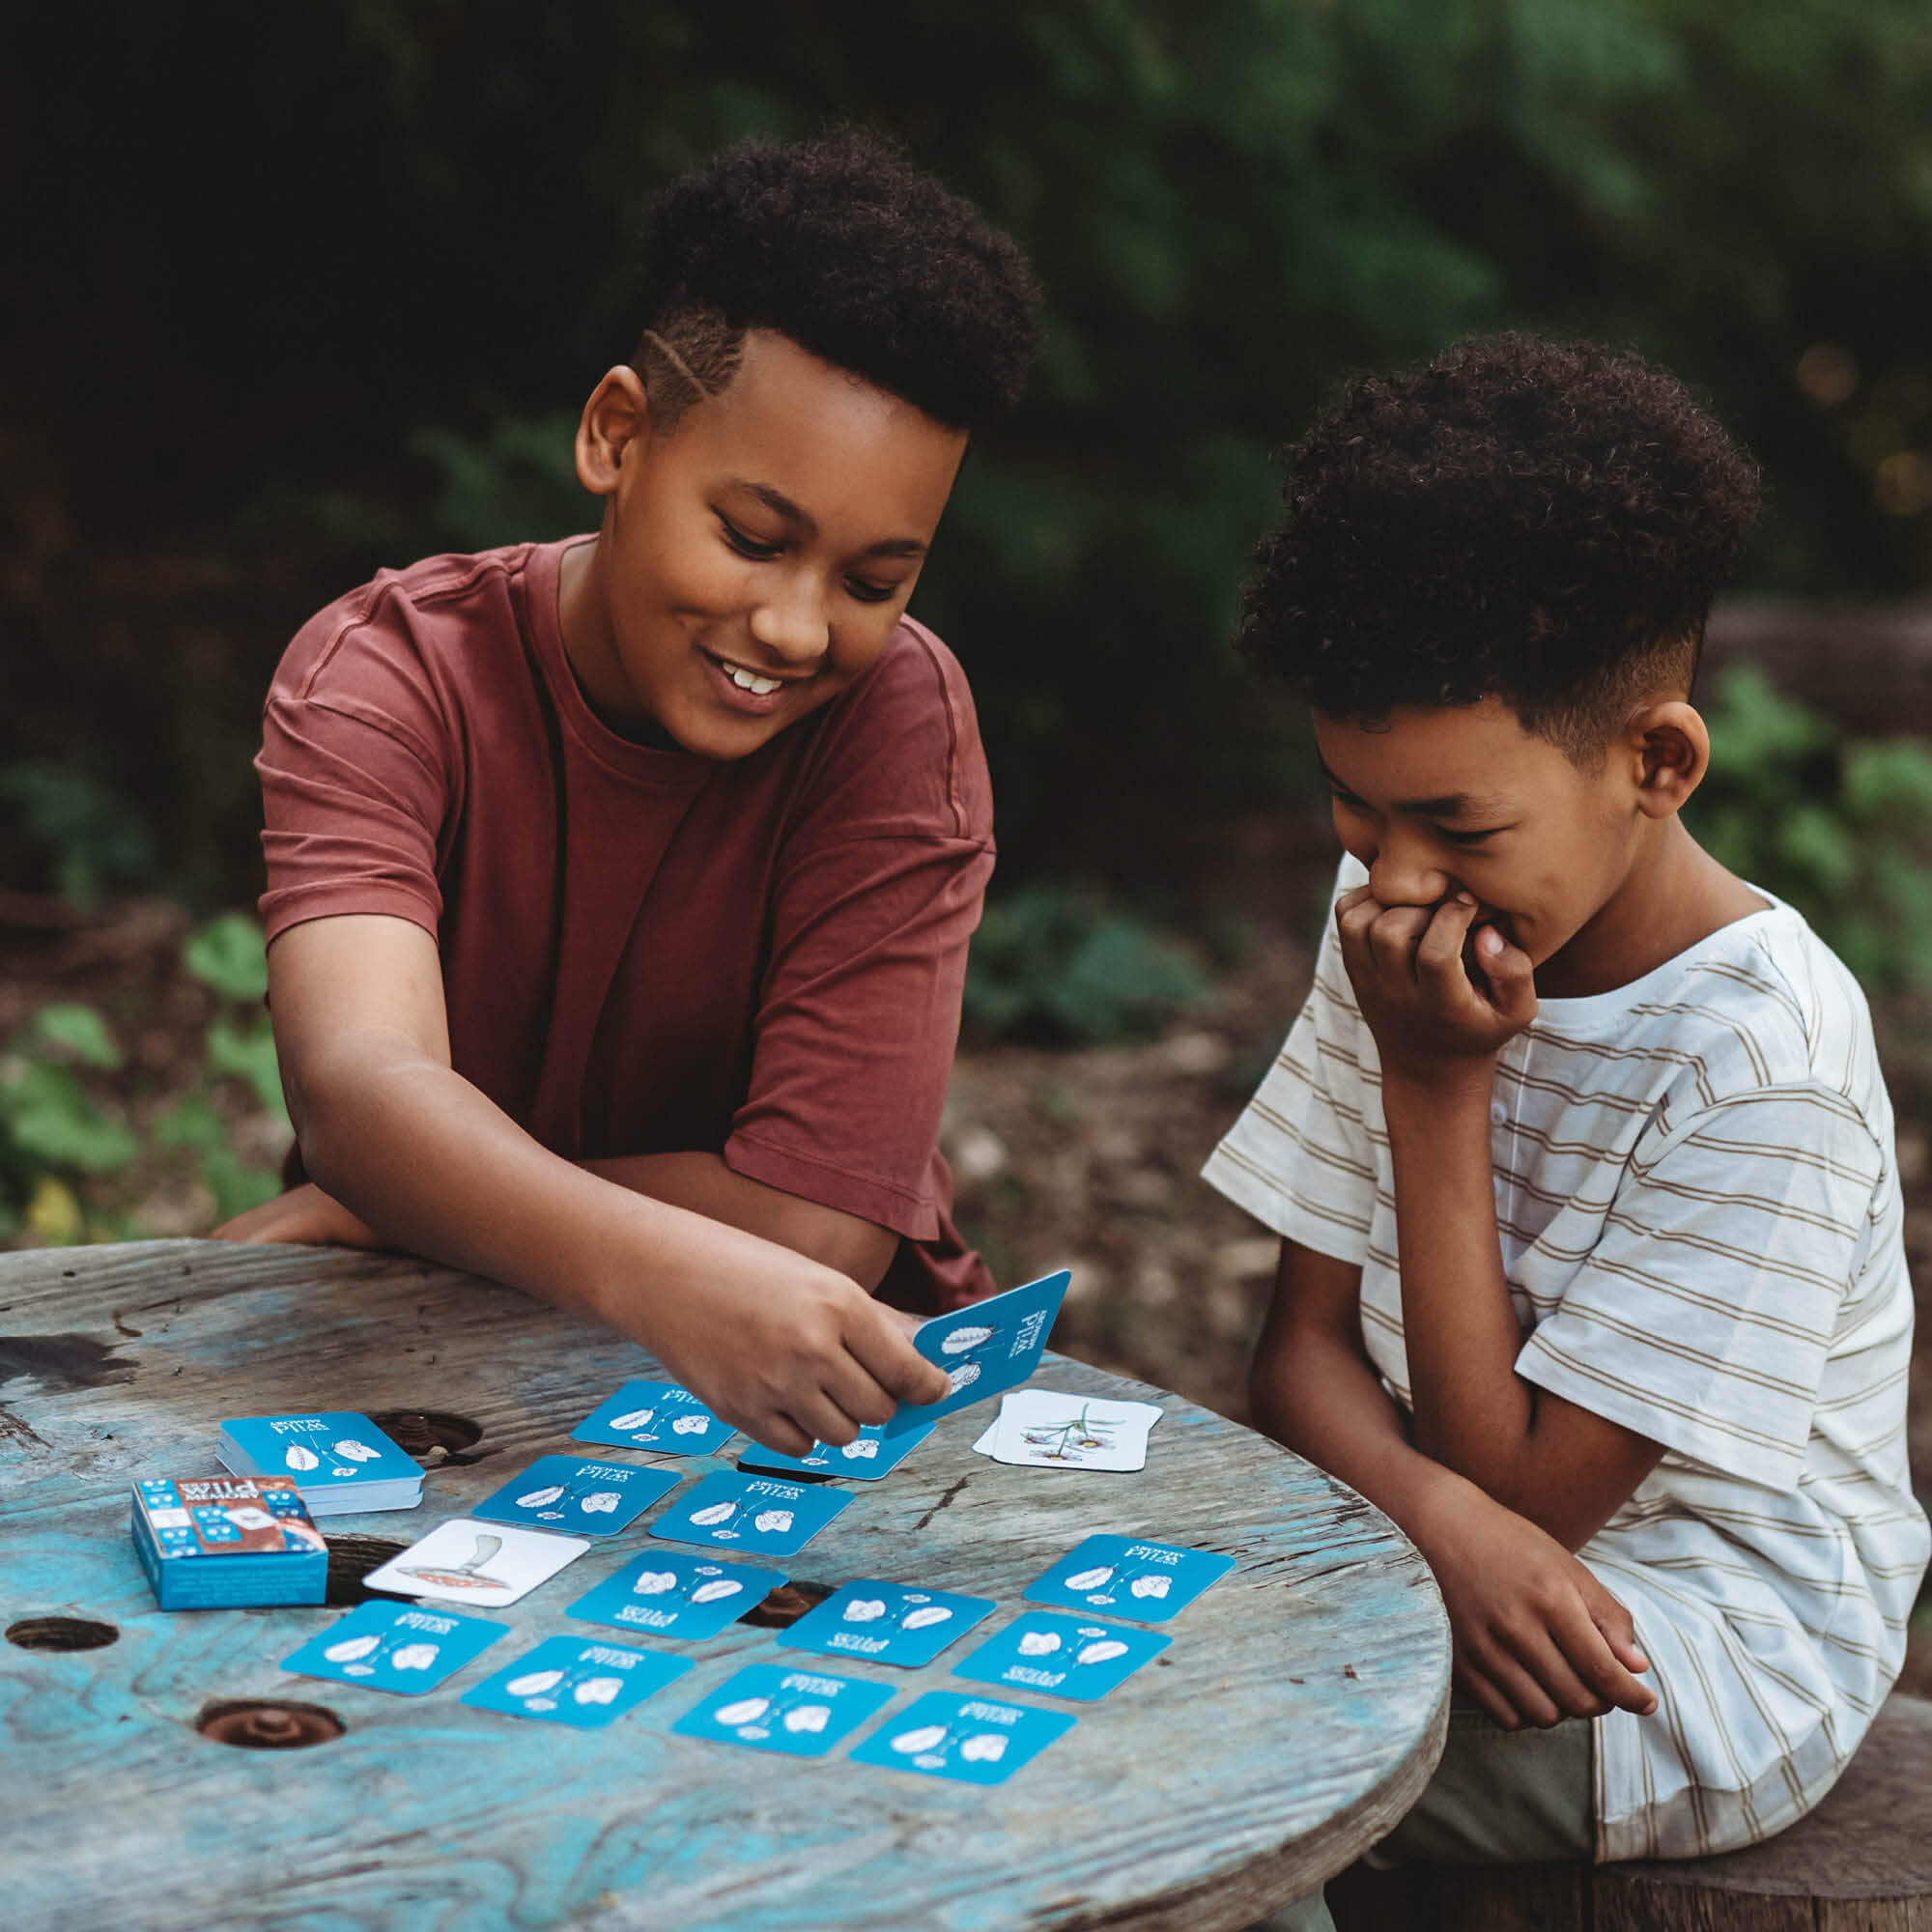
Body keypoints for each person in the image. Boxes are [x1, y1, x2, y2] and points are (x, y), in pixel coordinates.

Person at [1205, 334, 1929, 1882]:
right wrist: (1432, 1520)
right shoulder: (1404, 923)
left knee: (1225, 1796)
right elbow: (1301, 1353)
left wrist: (1436, 1087)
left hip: (1689, 1656)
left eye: (1457, 823)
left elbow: (1534, 1504)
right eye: (1355, 806)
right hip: (1430, 1552)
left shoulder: (1763, 1058)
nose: (1394, 877)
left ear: (1655, 762)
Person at [215, 130, 1042, 1458]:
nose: (792, 625)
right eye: (754, 539)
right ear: (616, 437)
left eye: (872, 582)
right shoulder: (390, 672)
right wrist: (635, 1258)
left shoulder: (895, 720)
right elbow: (363, 1086)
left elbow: (818, 1225)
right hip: (405, 1375)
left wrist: (399, 1206)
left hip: (810, 1411)